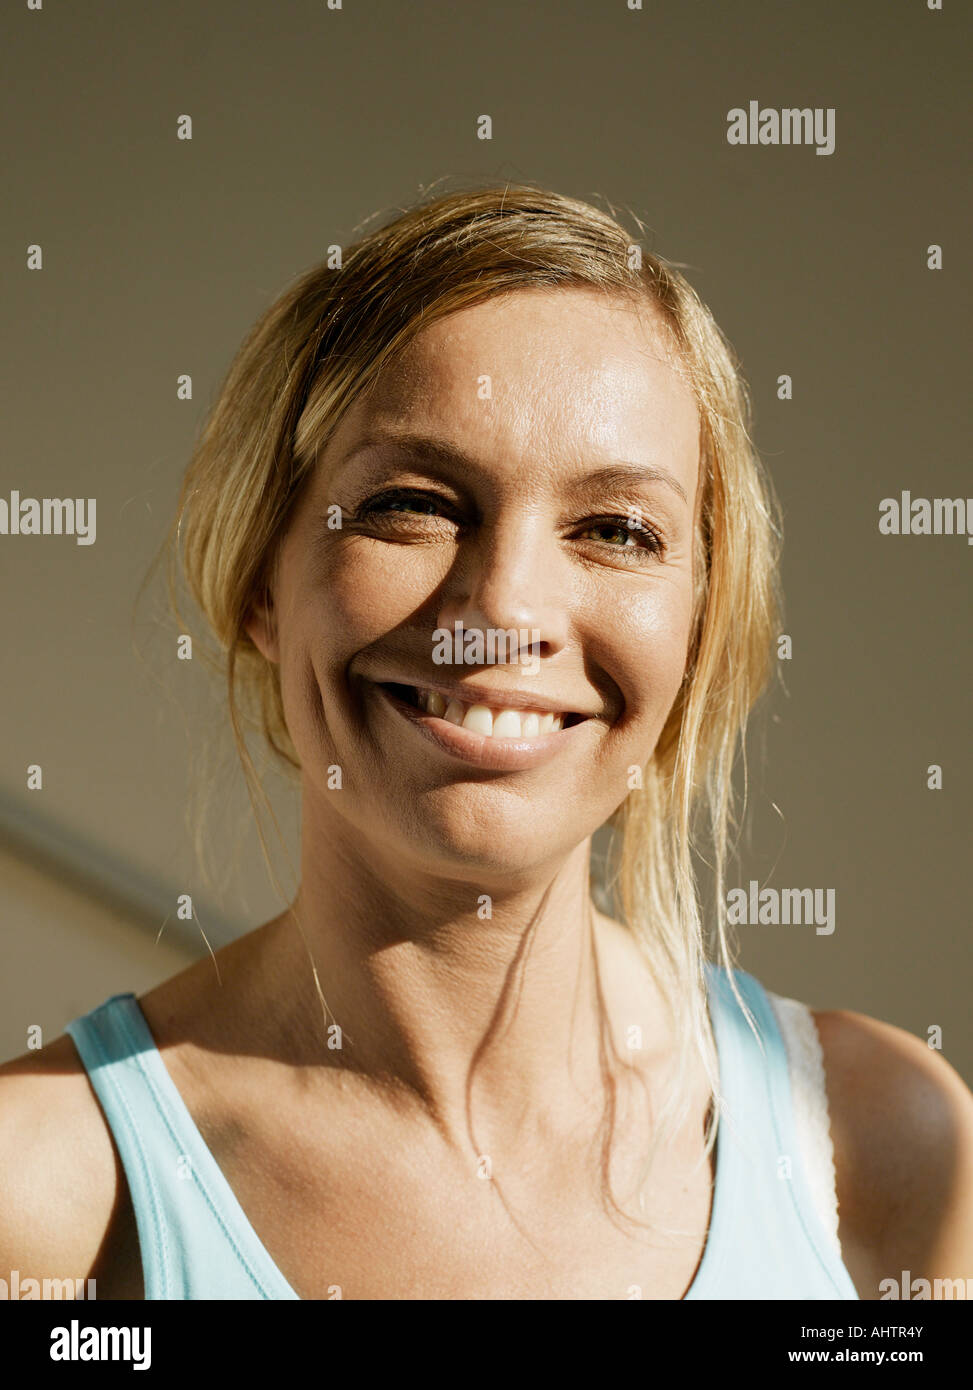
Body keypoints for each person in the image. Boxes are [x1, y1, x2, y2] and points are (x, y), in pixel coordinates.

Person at [3, 185, 971, 1301]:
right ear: (261, 576)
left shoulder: (881, 1145)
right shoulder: (40, 1200)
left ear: (701, 627)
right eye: (413, 503)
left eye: (616, 529)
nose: (505, 607)